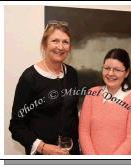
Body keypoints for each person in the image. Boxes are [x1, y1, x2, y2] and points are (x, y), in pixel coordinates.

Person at [9, 20, 80, 155]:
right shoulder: (29, 78)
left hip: (71, 154)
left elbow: (72, 115)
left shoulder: (72, 74)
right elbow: (16, 126)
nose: (60, 47)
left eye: (65, 42)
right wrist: (43, 147)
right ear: (44, 44)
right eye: (55, 41)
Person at [79, 48, 131, 155]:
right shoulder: (92, 94)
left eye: (117, 70)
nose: (110, 73)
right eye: (107, 68)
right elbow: (84, 132)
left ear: (127, 72)